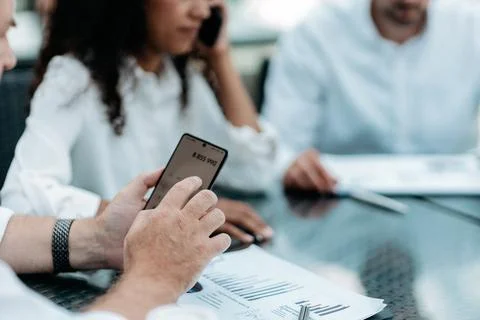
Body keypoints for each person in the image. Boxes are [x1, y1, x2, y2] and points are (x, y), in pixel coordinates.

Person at [1, 0, 279, 243]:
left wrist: (220, 57)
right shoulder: (73, 78)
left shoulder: (180, 80)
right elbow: (20, 198)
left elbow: (256, 172)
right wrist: (151, 213)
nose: (202, 11)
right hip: (94, 274)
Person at [263, 0, 480, 192]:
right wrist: (293, 165)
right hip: (337, 203)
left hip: (455, 202)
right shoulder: (315, 32)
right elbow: (280, 145)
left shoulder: (471, 26)